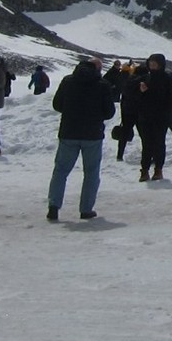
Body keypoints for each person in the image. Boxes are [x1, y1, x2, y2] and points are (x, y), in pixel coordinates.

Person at [45, 58, 116, 221]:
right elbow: (109, 112)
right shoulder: (103, 85)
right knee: (91, 172)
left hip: (69, 132)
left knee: (61, 170)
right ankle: (86, 209)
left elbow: (57, 104)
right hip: (92, 134)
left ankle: (54, 206)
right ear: (98, 69)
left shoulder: (68, 81)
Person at [126, 54, 172, 182]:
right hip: (145, 116)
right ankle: (144, 170)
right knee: (146, 143)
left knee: (159, 143)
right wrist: (141, 92)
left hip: (161, 117)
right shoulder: (145, 78)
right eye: (151, 63)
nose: (152, 66)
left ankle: (158, 169)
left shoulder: (167, 79)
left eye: (155, 64)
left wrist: (166, 111)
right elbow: (132, 96)